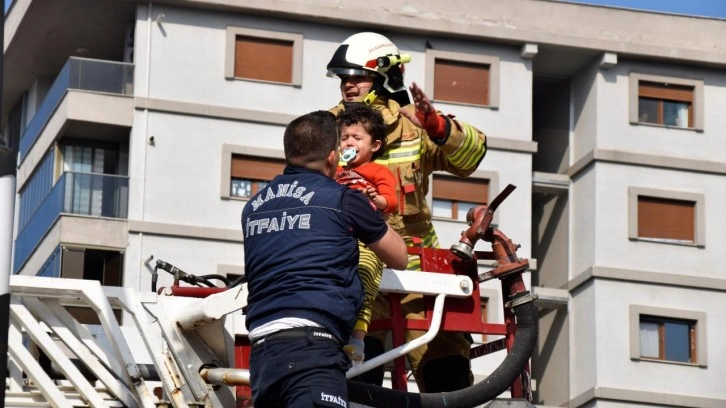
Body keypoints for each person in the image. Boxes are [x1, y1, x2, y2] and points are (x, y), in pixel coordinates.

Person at [327, 32, 488, 392]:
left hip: (417, 269)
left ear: (386, 75)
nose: (348, 85)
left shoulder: (414, 124)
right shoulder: (327, 128)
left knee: (446, 370)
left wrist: (439, 128)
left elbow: (472, 158)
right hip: (354, 266)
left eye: (358, 76)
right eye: (343, 78)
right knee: (357, 371)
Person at [241, 110, 408, 407]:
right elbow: (399, 256)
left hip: (262, 351)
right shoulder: (342, 198)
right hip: (313, 346)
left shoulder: (253, 206)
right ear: (333, 157)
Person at [334, 104, 398, 363]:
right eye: (344, 137)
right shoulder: (335, 171)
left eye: (357, 138)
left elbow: (391, 202)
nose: (349, 142)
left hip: (367, 241)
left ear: (375, 145)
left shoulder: (378, 171)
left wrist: (374, 198)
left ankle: (357, 339)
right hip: (338, 237)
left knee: (364, 281)